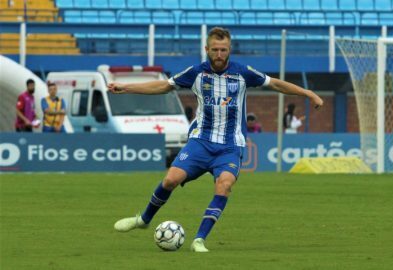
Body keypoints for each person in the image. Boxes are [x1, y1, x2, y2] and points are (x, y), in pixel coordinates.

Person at [108, 27, 323, 252]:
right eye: (215, 50)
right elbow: (164, 85)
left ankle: (199, 239)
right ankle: (143, 220)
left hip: (230, 146)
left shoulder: (243, 73)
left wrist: (309, 94)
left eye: (223, 49)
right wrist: (127, 87)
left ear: (229, 50)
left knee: (225, 185)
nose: (219, 54)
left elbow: (276, 84)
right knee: (171, 179)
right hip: (201, 141)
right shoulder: (196, 73)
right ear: (206, 49)